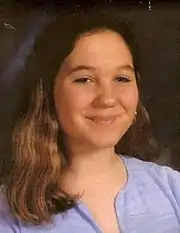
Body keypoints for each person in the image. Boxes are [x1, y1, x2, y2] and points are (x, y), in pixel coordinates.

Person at [0, 6, 180, 233]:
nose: (107, 99)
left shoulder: (172, 188)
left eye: (122, 78)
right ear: (48, 93)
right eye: (84, 79)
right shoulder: (8, 213)